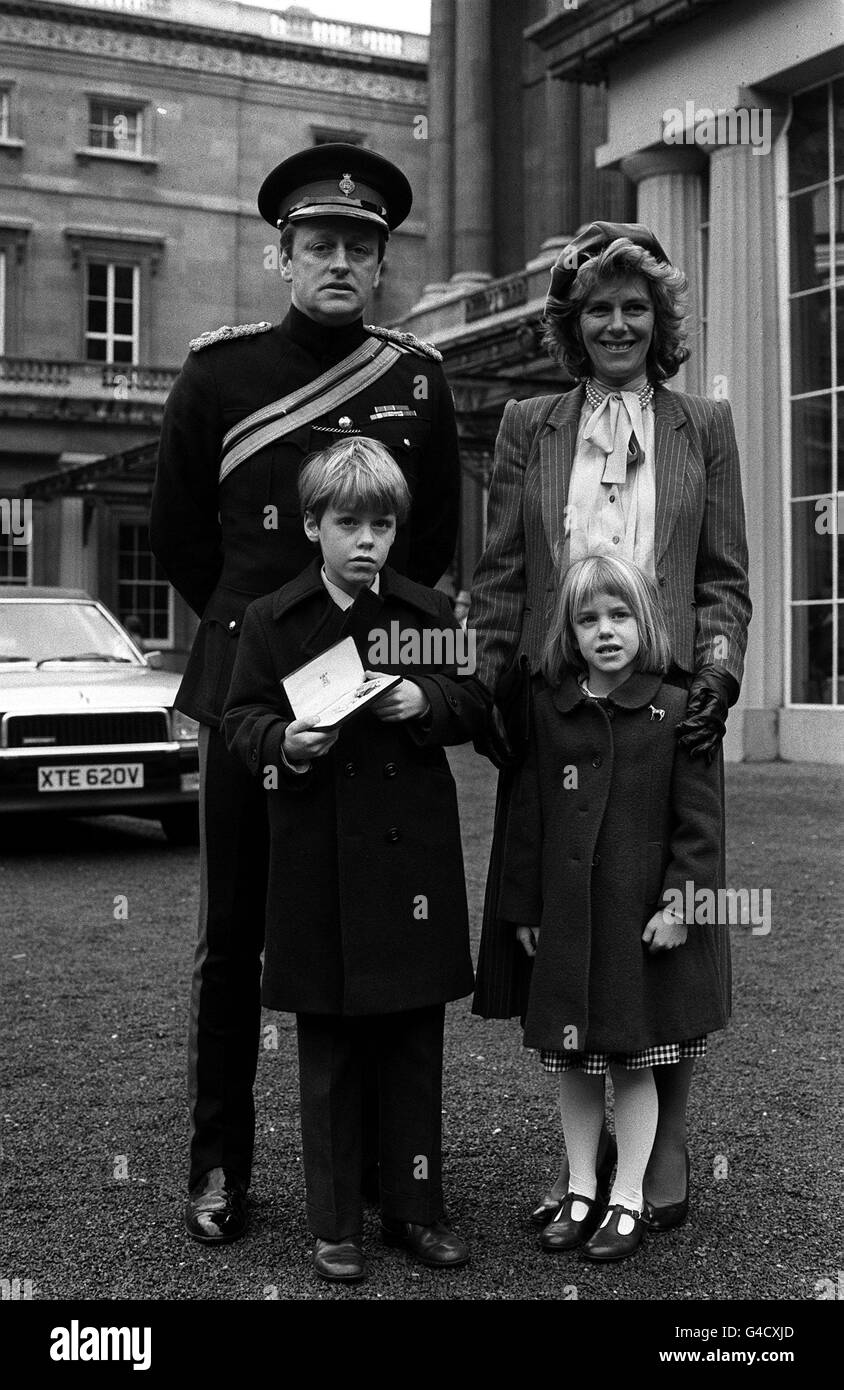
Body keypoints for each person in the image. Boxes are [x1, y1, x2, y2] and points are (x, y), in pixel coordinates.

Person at [149, 143, 461, 1244]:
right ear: (281, 253)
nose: (340, 261)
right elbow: (180, 533)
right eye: (319, 243)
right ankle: (219, 1166)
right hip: (252, 684)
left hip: (374, 689)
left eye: (360, 247)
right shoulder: (217, 373)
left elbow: (432, 549)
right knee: (234, 935)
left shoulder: (417, 378)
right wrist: (262, 635)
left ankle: (388, 1174)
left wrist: (373, 660)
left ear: (380, 263)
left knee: (376, 926)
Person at [469, 221, 751, 1231]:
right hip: (557, 708)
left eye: (635, 307)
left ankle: (662, 1139)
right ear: (572, 324)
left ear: (659, 320)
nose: (618, 323)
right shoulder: (526, 425)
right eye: (598, 308)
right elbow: (500, 571)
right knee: (568, 909)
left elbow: (723, 578)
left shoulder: (702, 424)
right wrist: (491, 686)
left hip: (668, 710)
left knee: (665, 909)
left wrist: (717, 673)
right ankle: (585, 1162)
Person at [221, 437, 487, 1282]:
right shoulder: (271, 618)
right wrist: (285, 742)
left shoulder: (425, 614)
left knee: (413, 1045)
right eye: (349, 523)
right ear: (311, 526)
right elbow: (239, 721)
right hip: (317, 865)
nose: (368, 540)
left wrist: (429, 699)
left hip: (411, 865)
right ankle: (334, 1226)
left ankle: (416, 1211)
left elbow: (478, 701)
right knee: (329, 1050)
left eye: (382, 524)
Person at [500, 554, 726, 1261]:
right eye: (588, 618)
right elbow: (528, 820)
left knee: (632, 1062)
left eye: (620, 615)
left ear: (647, 622)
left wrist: (682, 904)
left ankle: (627, 1196)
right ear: (569, 630)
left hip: (636, 926)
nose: (605, 631)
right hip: (568, 923)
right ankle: (579, 1188)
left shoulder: (677, 708)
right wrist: (524, 907)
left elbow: (702, 825)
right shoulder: (551, 707)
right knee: (572, 1062)